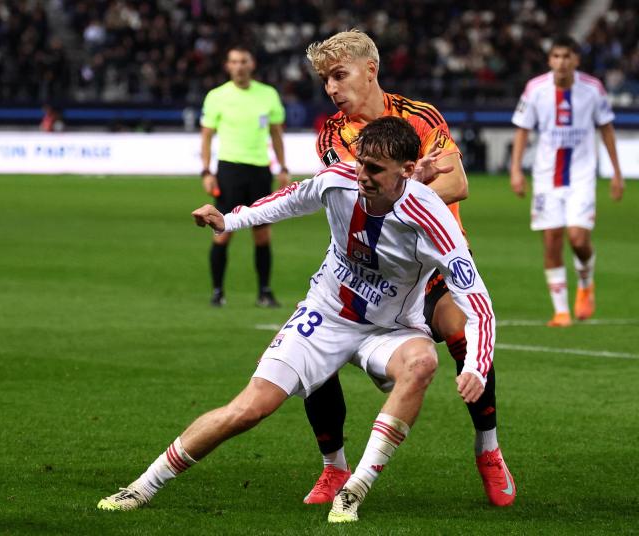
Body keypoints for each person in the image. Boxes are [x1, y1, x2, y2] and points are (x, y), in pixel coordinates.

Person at [98, 116, 497, 523]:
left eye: (375, 169)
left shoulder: (432, 220)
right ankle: (142, 486)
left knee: (423, 361)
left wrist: (476, 366)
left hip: (390, 330)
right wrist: (229, 219)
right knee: (249, 409)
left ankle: (354, 490)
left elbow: (478, 304)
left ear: (407, 170)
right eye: (361, 162)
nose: (362, 174)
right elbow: (290, 199)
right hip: (324, 315)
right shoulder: (339, 180)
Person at [299, 29, 515, 507]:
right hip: (373, 272)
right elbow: (363, 198)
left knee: (463, 331)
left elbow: (456, 183)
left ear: (370, 70)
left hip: (433, 264)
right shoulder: (333, 136)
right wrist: (410, 192)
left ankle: (488, 450)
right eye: (325, 80)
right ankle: (334, 467)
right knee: (312, 351)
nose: (331, 88)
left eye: (339, 75)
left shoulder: (420, 117)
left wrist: (400, 200)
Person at [510, 35, 624, 327]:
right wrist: (516, 170)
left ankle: (586, 282)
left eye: (567, 56)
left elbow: (606, 129)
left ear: (576, 59)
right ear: (550, 60)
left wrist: (616, 173)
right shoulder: (535, 89)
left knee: (578, 239)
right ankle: (561, 311)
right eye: (556, 56)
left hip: (582, 176)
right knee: (551, 240)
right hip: (546, 177)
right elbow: (522, 130)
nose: (561, 62)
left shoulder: (593, 89)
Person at [200, 45, 289, 308]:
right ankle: (218, 292)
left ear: (252, 64)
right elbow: (206, 137)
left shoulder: (268, 94)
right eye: (234, 61)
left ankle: (264, 291)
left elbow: (276, 134)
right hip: (229, 170)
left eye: (243, 61)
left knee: (262, 234)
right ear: (228, 66)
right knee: (222, 232)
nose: (239, 66)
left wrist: (283, 167)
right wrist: (206, 170)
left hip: (260, 170)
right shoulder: (216, 96)